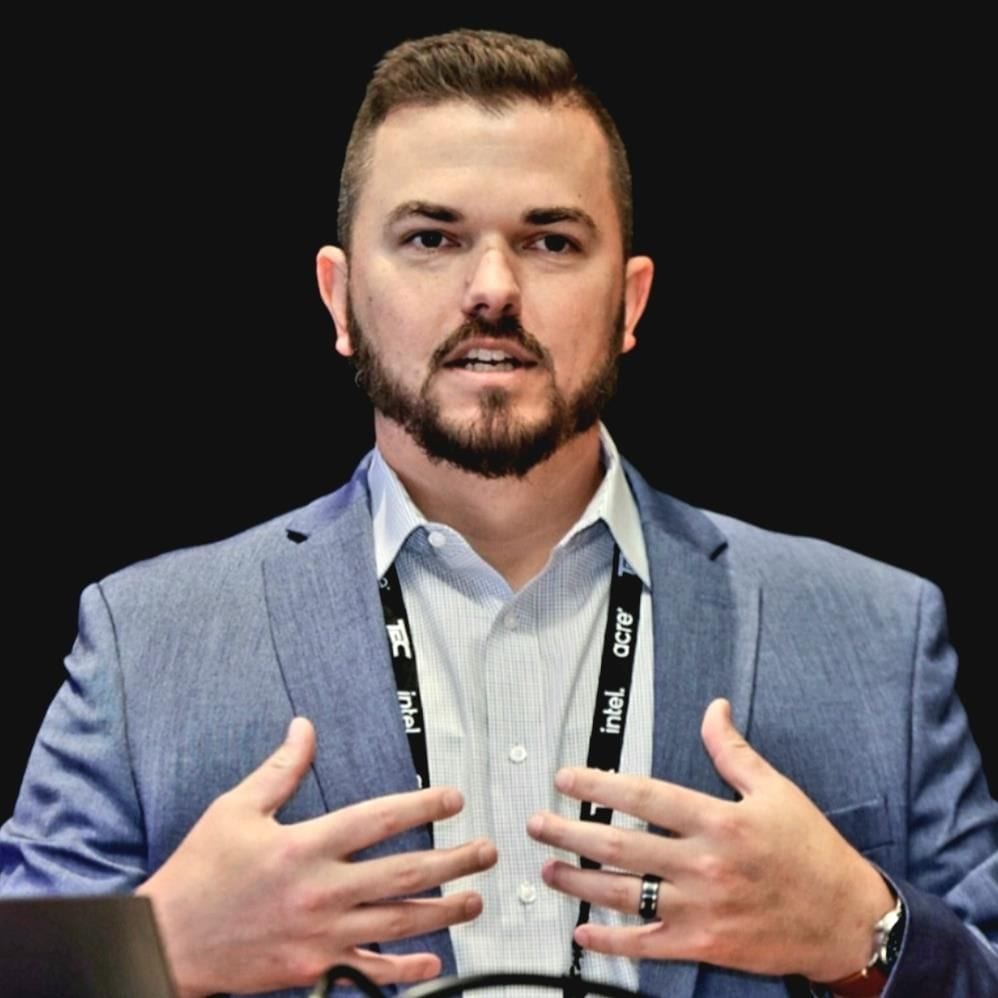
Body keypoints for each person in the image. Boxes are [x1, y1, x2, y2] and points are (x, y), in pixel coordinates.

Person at [2, 27, 996, 998]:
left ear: (629, 299)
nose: (491, 288)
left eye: (549, 239)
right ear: (338, 296)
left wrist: (864, 932)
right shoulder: (147, 639)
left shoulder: (875, 634)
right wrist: (161, 948)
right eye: (430, 237)